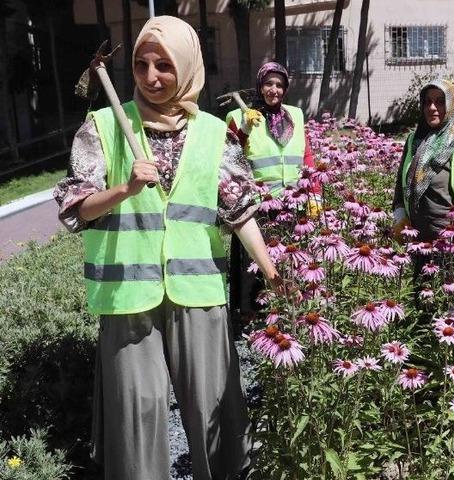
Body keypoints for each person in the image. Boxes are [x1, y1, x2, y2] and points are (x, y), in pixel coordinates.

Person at [53, 16, 282, 480]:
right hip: (127, 299)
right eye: (141, 65)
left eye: (164, 65)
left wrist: (273, 271)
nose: (151, 76)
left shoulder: (215, 134)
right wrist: (123, 189)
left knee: (214, 408)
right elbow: (75, 209)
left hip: (198, 295)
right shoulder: (102, 126)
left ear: (188, 67)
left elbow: (240, 211)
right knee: (139, 413)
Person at [225, 62, 316, 328]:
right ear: (259, 86)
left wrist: (315, 196)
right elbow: (228, 154)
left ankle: (289, 312)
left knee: (291, 259)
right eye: (268, 84)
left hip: (293, 201)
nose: (273, 90)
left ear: (285, 89)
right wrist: (243, 128)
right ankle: (251, 317)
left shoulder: (296, 115)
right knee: (253, 263)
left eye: (279, 85)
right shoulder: (240, 115)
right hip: (258, 203)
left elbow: (306, 155)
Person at [392, 79, 454, 243]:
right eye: (427, 102)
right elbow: (400, 191)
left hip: (452, 247)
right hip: (417, 243)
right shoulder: (414, 142)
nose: (432, 108)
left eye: (440, 102)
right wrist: (400, 218)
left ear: (451, 106)